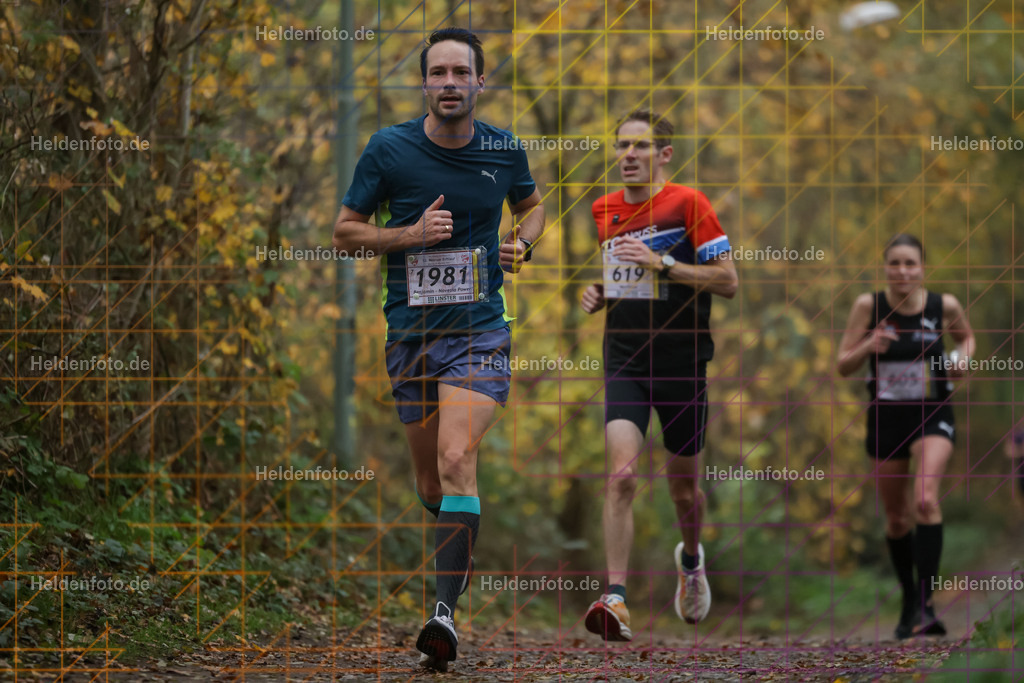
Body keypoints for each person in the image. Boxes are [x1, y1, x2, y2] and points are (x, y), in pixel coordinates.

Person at [332, 27, 545, 670]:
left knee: (458, 455)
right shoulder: (388, 149)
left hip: (480, 331)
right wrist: (411, 234)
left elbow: (533, 207)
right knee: (433, 480)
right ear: (424, 83)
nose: (450, 83)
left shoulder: (505, 150)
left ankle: (443, 614)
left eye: (462, 73)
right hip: (411, 338)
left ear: (481, 82)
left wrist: (522, 243)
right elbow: (345, 233)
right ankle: (459, 526)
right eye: (439, 73)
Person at [579, 110, 737, 640]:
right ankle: (616, 597)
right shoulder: (602, 208)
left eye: (640, 146)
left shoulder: (689, 204)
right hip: (625, 360)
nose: (628, 155)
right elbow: (623, 277)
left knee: (684, 492)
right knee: (621, 477)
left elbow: (727, 281)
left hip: (683, 363)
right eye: (621, 145)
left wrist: (663, 264)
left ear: (663, 154)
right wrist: (600, 293)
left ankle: (691, 559)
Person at [837, 234, 975, 640]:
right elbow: (843, 365)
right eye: (894, 263)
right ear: (885, 269)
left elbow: (965, 337)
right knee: (897, 518)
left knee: (925, 499)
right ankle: (909, 600)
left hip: (933, 414)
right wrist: (869, 344)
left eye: (910, 263)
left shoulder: (942, 306)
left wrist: (963, 358)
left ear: (922, 267)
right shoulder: (869, 306)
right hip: (886, 418)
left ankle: (928, 606)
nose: (902, 271)